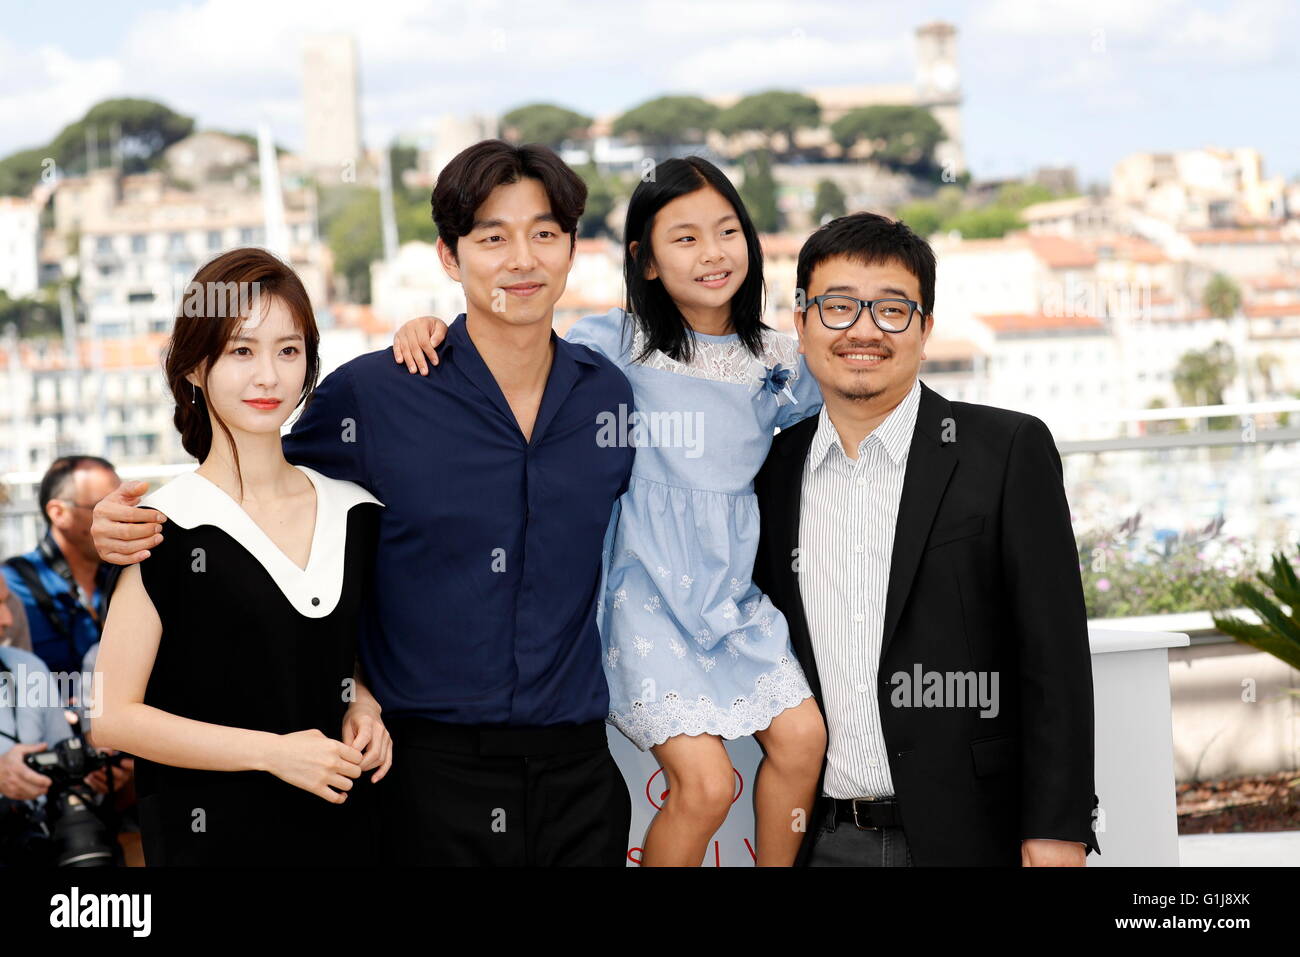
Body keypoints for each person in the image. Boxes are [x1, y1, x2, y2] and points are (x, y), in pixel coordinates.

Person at [92, 141, 636, 866]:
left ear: (574, 246)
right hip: (425, 779)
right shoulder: (374, 397)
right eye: (492, 237)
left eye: (544, 233)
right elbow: (250, 480)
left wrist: (359, 694)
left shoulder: (609, 397)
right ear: (449, 255)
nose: (522, 259)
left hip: (581, 774)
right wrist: (119, 518)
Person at [391, 156, 827, 866]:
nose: (712, 252)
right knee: (708, 783)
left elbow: (851, 384)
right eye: (684, 238)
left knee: (805, 738)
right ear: (646, 262)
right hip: (641, 600)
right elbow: (515, 337)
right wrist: (424, 325)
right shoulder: (616, 344)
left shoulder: (777, 360)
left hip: (731, 601)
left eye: (726, 231)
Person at [750, 212, 1100, 866]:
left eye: (891, 309)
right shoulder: (771, 473)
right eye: (837, 307)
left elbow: (1054, 660)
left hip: (974, 838)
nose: (862, 329)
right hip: (824, 839)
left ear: (925, 328)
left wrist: (1057, 830)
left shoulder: (1006, 450)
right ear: (800, 323)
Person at [88, 247, 392, 866]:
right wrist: (274, 752)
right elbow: (114, 718)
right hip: (212, 840)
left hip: (347, 831)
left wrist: (365, 705)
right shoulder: (161, 526)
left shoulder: (357, 511)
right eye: (242, 351)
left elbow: (338, 655)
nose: (268, 377)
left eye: (288, 350)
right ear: (196, 367)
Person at [3, 456, 122, 680]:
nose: (123, 519)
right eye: (104, 509)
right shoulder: (10, 587)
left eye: (128, 508)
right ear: (58, 513)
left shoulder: (126, 578)